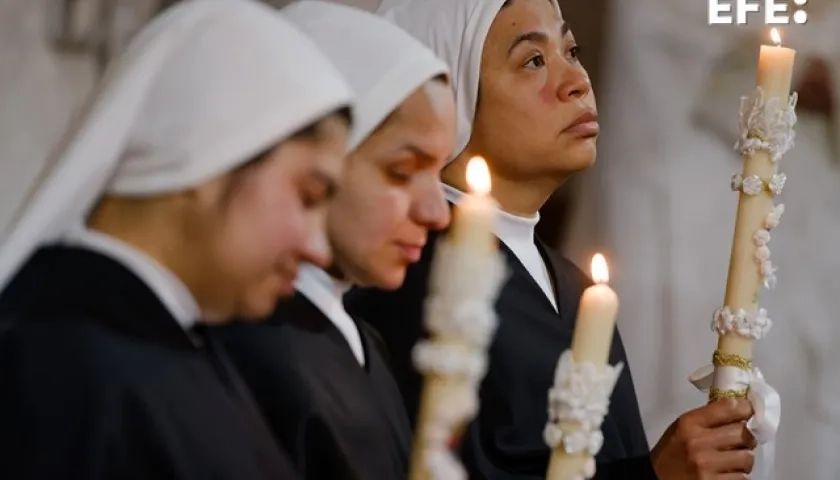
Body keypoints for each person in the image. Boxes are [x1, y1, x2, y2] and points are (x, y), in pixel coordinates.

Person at [347, 0, 758, 478]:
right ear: (451, 93)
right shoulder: (421, 281)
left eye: (572, 52)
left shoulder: (576, 286)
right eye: (533, 61)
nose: (577, 81)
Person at [0, 0, 354, 478]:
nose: (318, 248)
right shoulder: (58, 364)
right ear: (207, 156)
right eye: (308, 196)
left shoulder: (179, 340)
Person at [569, 0, 840, 478]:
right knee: (683, 346)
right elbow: (660, 22)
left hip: (811, 187)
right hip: (689, 184)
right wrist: (793, 50)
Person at [213, 2, 455, 479]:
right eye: (403, 171)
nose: (437, 213)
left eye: (440, 173)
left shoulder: (366, 342)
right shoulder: (252, 345)